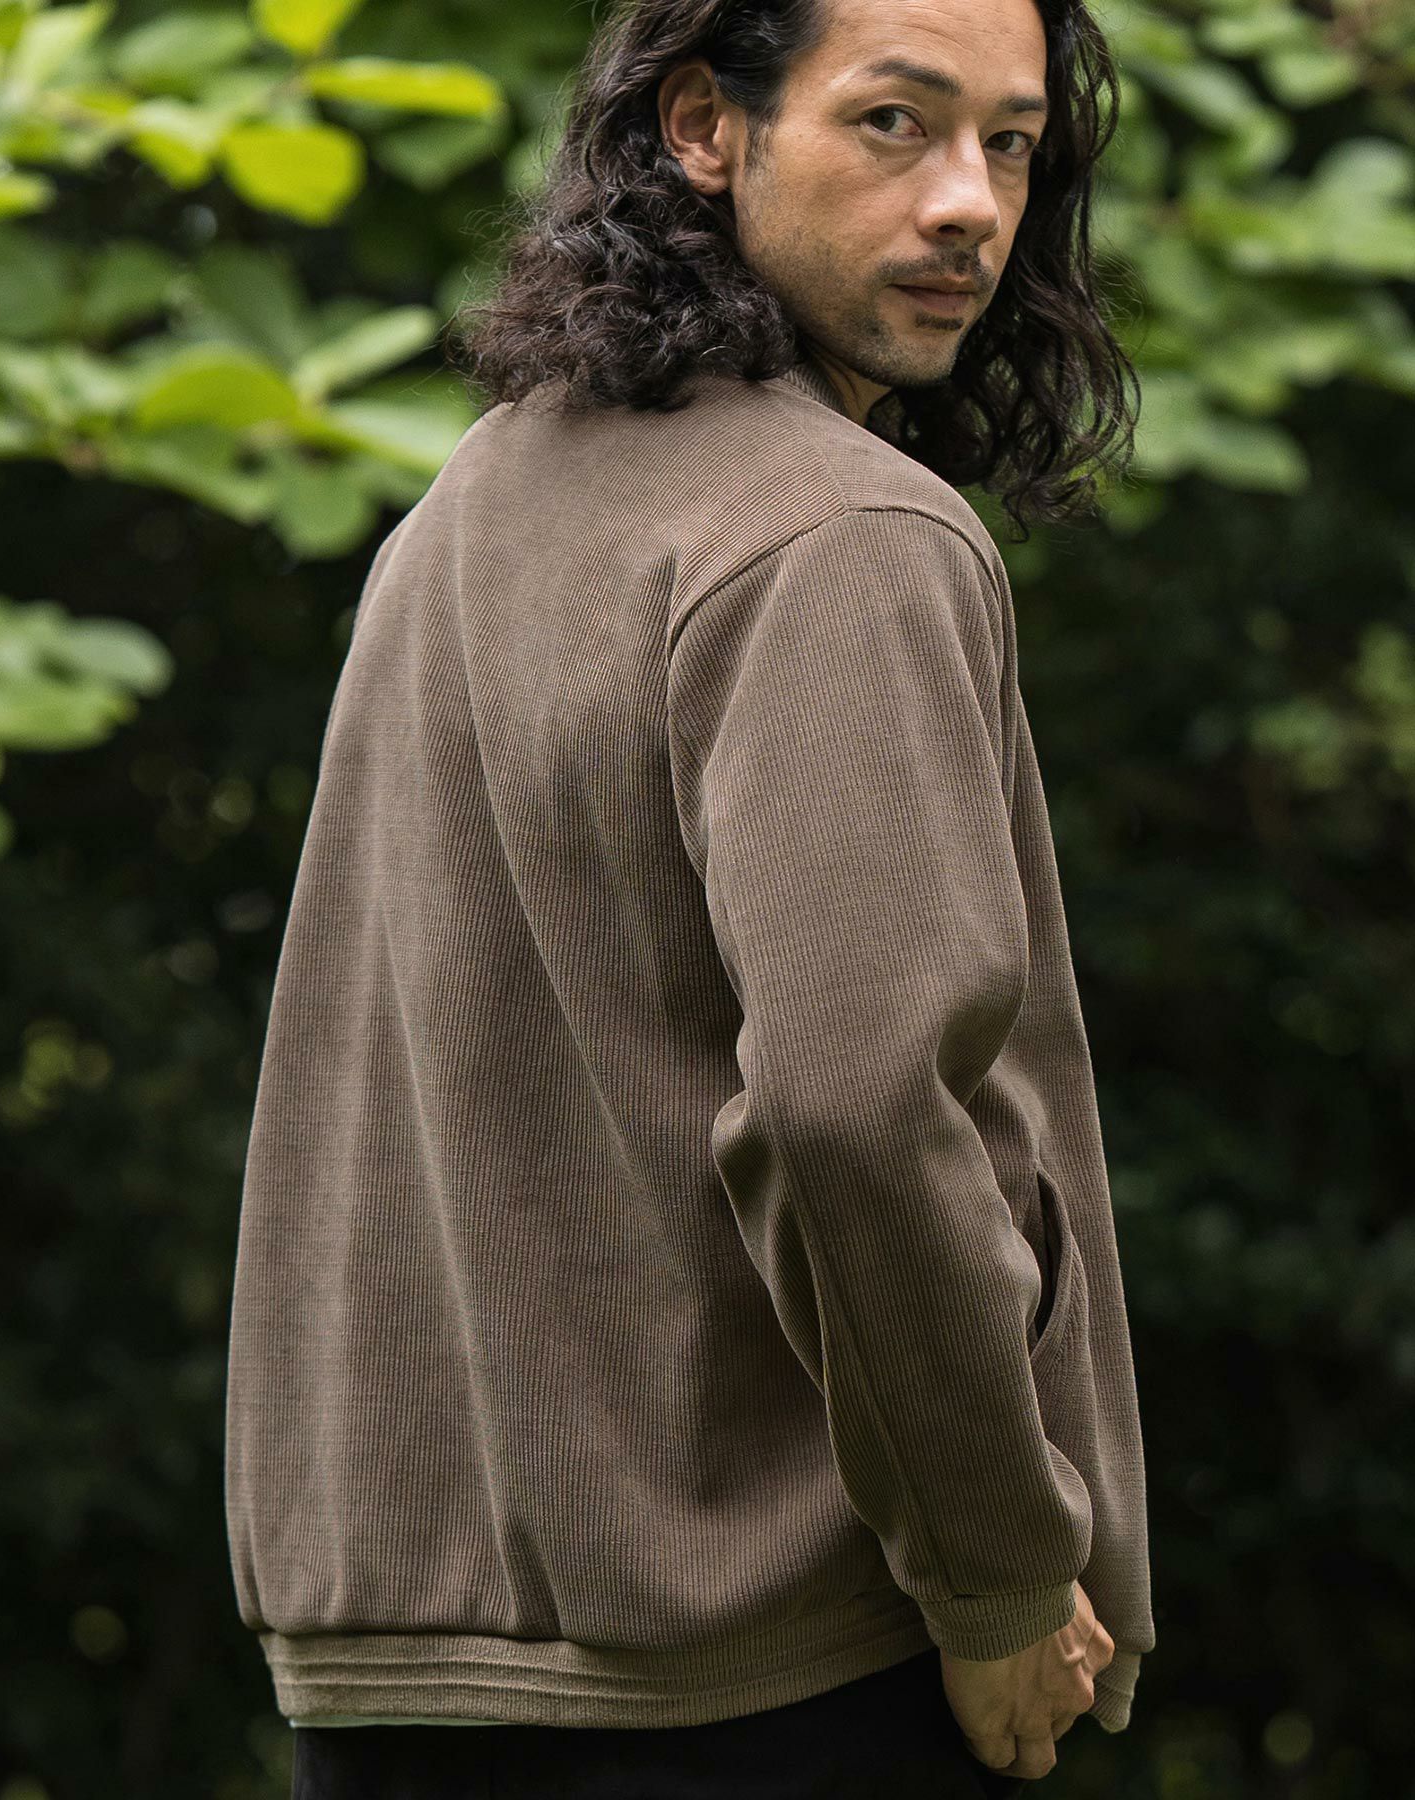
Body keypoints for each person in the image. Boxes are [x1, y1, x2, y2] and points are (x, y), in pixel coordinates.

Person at [222, 0, 1156, 1790]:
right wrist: (997, 1571)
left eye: (1012, 141)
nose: (970, 200)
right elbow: (857, 1114)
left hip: (397, 1673)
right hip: (765, 1682)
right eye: (895, 121)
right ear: (704, 128)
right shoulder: (841, 535)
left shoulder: (469, 508)